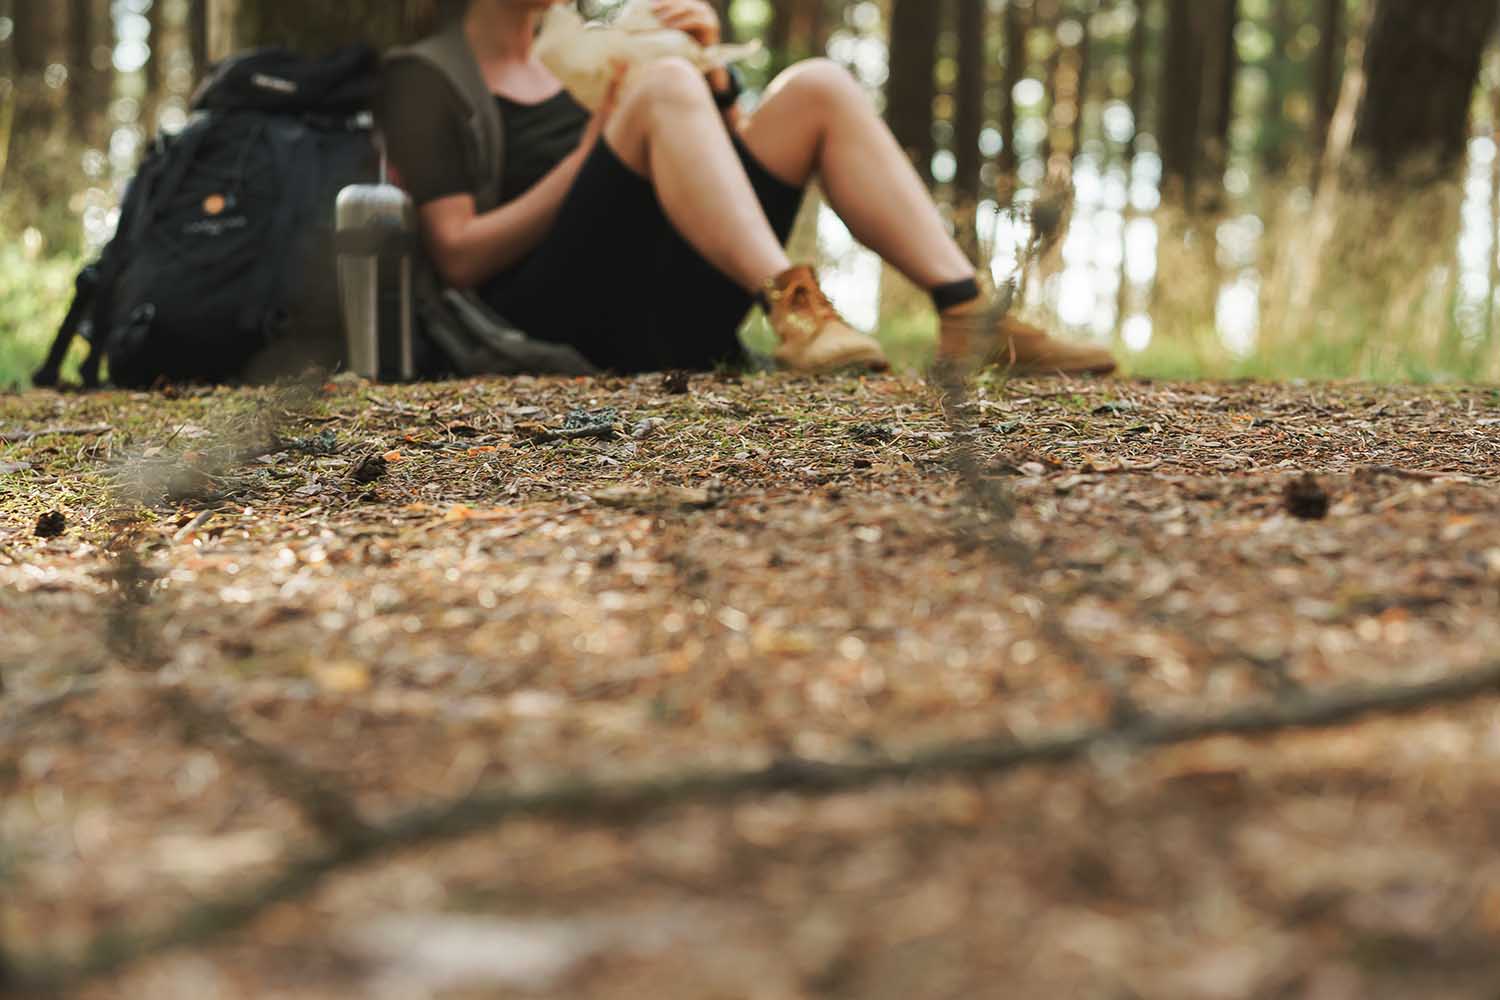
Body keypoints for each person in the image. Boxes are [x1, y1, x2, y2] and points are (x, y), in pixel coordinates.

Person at [377, 0, 1117, 376]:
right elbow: (461, 257)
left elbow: (707, 178)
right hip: (550, 319)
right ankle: (797, 307)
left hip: (669, 301)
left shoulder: (593, 45)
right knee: (662, 85)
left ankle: (967, 313)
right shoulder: (427, 76)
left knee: (817, 87)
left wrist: (718, 83)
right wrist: (598, 143)